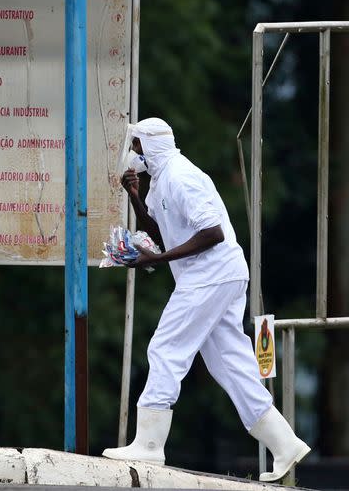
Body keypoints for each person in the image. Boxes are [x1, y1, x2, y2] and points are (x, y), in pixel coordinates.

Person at [102, 118, 310, 482]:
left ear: (151, 146)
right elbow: (159, 231)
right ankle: (285, 444)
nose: (133, 153)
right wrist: (134, 196)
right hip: (218, 275)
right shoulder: (161, 181)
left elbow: (211, 232)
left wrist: (158, 259)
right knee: (229, 363)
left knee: (167, 346)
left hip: (210, 273)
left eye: (136, 146)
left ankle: (150, 445)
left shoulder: (181, 176)